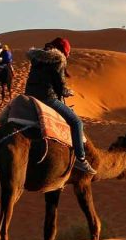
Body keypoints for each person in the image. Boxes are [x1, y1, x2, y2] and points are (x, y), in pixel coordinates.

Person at [25, 37, 96, 174]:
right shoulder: (58, 59)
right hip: (47, 98)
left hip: (29, 96)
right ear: (64, 52)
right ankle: (80, 159)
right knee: (76, 122)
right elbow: (60, 86)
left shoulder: (37, 58)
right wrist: (68, 92)